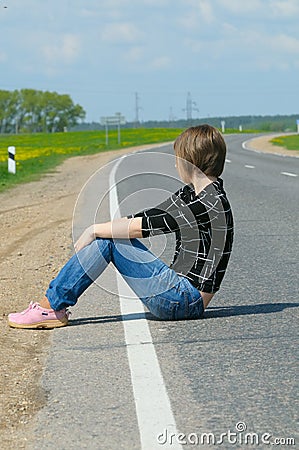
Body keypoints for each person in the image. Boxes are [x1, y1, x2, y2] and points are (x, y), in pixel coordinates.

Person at [8, 125, 234, 329]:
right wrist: (102, 227)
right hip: (179, 293)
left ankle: (50, 307)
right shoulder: (194, 194)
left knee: (108, 239)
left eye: (177, 158)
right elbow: (149, 215)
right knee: (109, 234)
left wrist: (95, 230)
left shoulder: (206, 203)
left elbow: (144, 227)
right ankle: (51, 306)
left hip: (184, 300)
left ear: (189, 160)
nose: (175, 164)